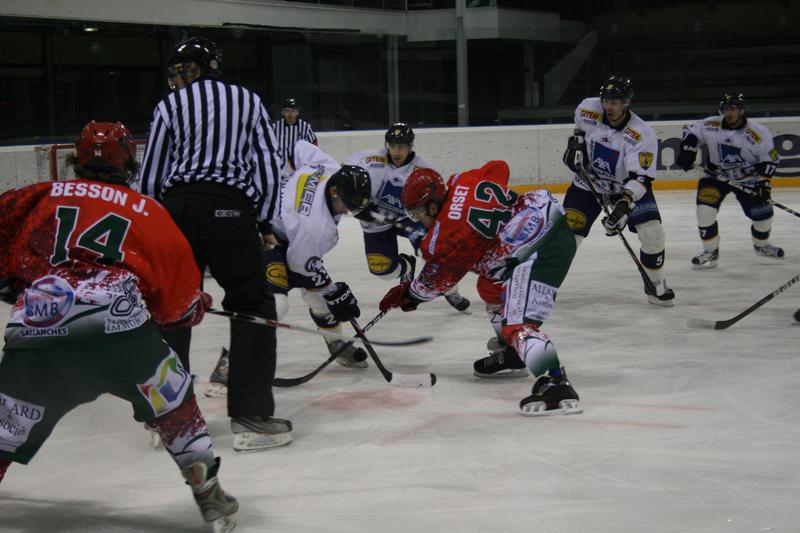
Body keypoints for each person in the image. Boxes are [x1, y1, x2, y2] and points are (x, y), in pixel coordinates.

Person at [0, 121, 238, 531]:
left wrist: (13, 282)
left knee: (8, 420)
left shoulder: (36, 196)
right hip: (117, 329)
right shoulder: (148, 210)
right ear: (129, 161)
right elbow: (177, 305)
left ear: (76, 160)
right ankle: (203, 481)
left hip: (38, 330)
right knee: (172, 396)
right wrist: (192, 308)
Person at [135, 36, 290, 452]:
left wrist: (154, 226)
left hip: (178, 211)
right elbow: (268, 165)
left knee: (171, 309)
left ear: (196, 70)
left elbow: (152, 174)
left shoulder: (169, 105)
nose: (176, 81)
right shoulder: (248, 101)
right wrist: (263, 219)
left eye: (180, 72)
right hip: (230, 210)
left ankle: (168, 416)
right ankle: (251, 415)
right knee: (253, 306)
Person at [379, 163, 582, 416]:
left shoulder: (447, 237)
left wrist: (410, 296)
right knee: (489, 286)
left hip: (540, 249)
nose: (418, 219)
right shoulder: (461, 180)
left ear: (431, 206)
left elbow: (438, 281)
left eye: (417, 213)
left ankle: (556, 382)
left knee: (518, 325)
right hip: (542, 215)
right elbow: (499, 168)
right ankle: (514, 354)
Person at [205, 142, 371, 397]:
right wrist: (333, 291)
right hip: (265, 237)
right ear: (335, 191)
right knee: (276, 304)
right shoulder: (318, 228)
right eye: (346, 204)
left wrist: (284, 179)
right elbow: (300, 266)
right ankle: (232, 362)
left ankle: (335, 342)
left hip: (283, 230)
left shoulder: (328, 167)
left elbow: (298, 147)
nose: (348, 211)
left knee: (320, 300)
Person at [562, 75, 675, 306]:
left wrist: (624, 206)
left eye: (615, 102)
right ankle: (543, 285)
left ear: (626, 103)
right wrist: (575, 147)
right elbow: (580, 132)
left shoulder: (641, 134)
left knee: (652, 233)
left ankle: (654, 284)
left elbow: (641, 178)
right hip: (588, 184)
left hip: (624, 188)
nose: (609, 107)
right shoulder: (588, 108)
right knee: (567, 238)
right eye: (606, 101)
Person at [345, 122, 471, 312]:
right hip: (375, 221)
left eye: (402, 146)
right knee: (383, 270)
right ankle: (407, 267)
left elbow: (436, 202)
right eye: (393, 146)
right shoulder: (366, 161)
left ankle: (450, 290)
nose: (397, 151)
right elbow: (342, 182)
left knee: (432, 253)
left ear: (410, 146)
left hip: (410, 219)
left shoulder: (424, 169)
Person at [676, 93, 783, 268]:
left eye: (733, 108)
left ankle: (761, 245)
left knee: (763, 218)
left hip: (748, 178)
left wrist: (764, 183)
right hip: (715, 175)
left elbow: (769, 159)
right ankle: (711, 252)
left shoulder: (758, 132)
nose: (729, 112)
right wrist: (688, 149)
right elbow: (691, 131)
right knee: (704, 213)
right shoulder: (711, 124)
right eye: (725, 109)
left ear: (741, 110)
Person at [272, 97, 318, 179]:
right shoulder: (275, 127)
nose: (290, 114)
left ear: (297, 112)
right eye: (287, 111)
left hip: (300, 172)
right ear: (283, 112)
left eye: (293, 111)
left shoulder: (305, 127)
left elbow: (314, 147)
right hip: (279, 171)